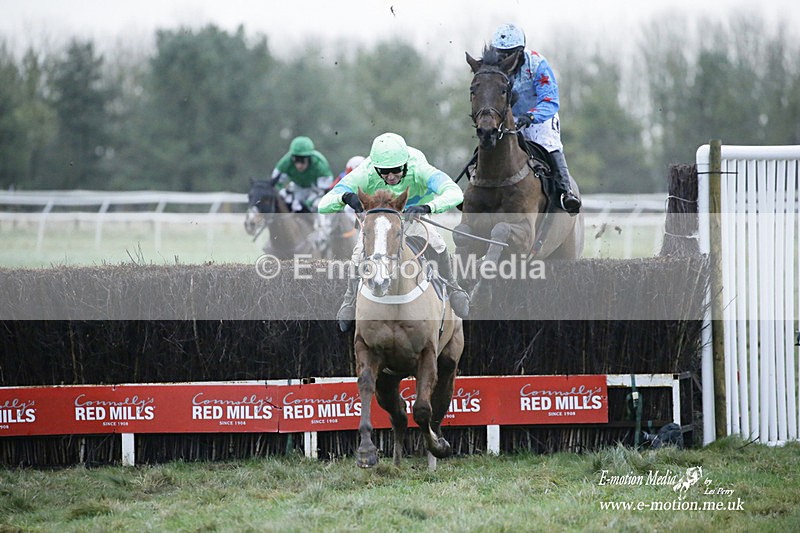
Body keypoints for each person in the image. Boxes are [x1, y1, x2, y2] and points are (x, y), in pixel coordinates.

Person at [318, 132, 470, 331]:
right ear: (375, 167)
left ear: (405, 164)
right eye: (384, 171)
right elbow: (323, 205)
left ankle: (453, 286)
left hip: (413, 217)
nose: (390, 176)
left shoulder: (419, 167)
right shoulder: (364, 171)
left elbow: (455, 193)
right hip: (381, 221)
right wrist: (344, 196)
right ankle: (349, 300)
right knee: (357, 255)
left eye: (396, 170)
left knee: (437, 242)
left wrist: (427, 207)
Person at [490, 23, 581, 214]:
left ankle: (565, 191)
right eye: (501, 53)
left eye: (510, 54)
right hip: (510, 116)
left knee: (547, 142)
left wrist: (530, 116)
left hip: (540, 115)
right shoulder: (494, 67)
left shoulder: (538, 65)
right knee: (490, 140)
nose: (505, 59)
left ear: (520, 52)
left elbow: (550, 100)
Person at [271, 136, 334, 213]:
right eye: (296, 160)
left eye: (302, 160)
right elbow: (275, 183)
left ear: (309, 158)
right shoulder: (285, 162)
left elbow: (324, 189)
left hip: (315, 189)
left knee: (318, 205)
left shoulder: (320, 164)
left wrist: (308, 203)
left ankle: (322, 225)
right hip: (296, 186)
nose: (299, 165)